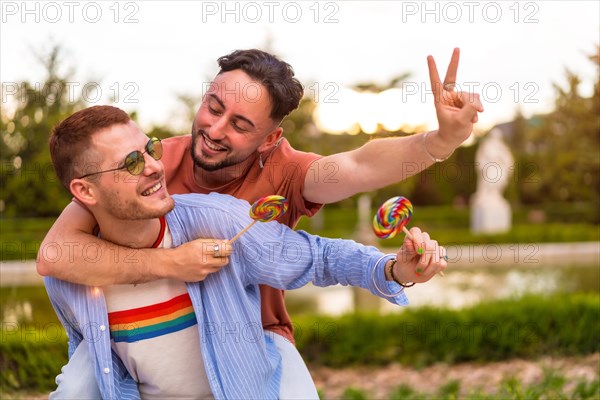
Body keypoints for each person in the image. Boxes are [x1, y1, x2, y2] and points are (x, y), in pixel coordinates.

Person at [38, 48, 482, 397]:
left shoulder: (282, 174)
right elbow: (57, 254)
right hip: (138, 349)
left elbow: (356, 176)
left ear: (269, 139)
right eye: (213, 107)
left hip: (253, 338)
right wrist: (176, 263)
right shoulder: (150, 162)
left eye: (239, 125)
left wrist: (441, 140)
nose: (214, 129)